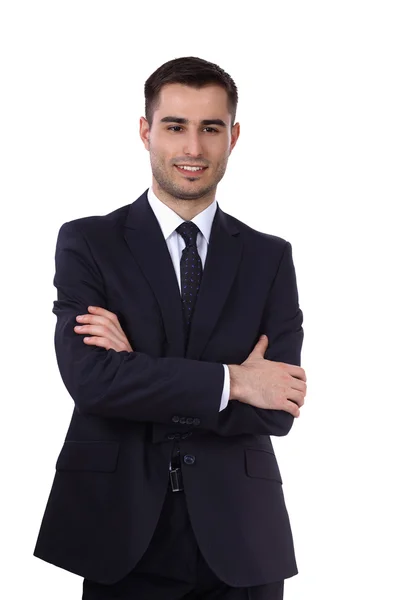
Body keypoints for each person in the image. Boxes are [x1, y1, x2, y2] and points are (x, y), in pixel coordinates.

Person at [33, 56, 306, 600]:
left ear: (234, 137)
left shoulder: (269, 257)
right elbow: (92, 382)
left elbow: (277, 406)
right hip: (120, 530)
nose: (192, 149)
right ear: (145, 131)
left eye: (210, 129)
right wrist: (233, 382)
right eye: (175, 126)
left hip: (241, 538)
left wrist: (138, 373)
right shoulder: (89, 243)